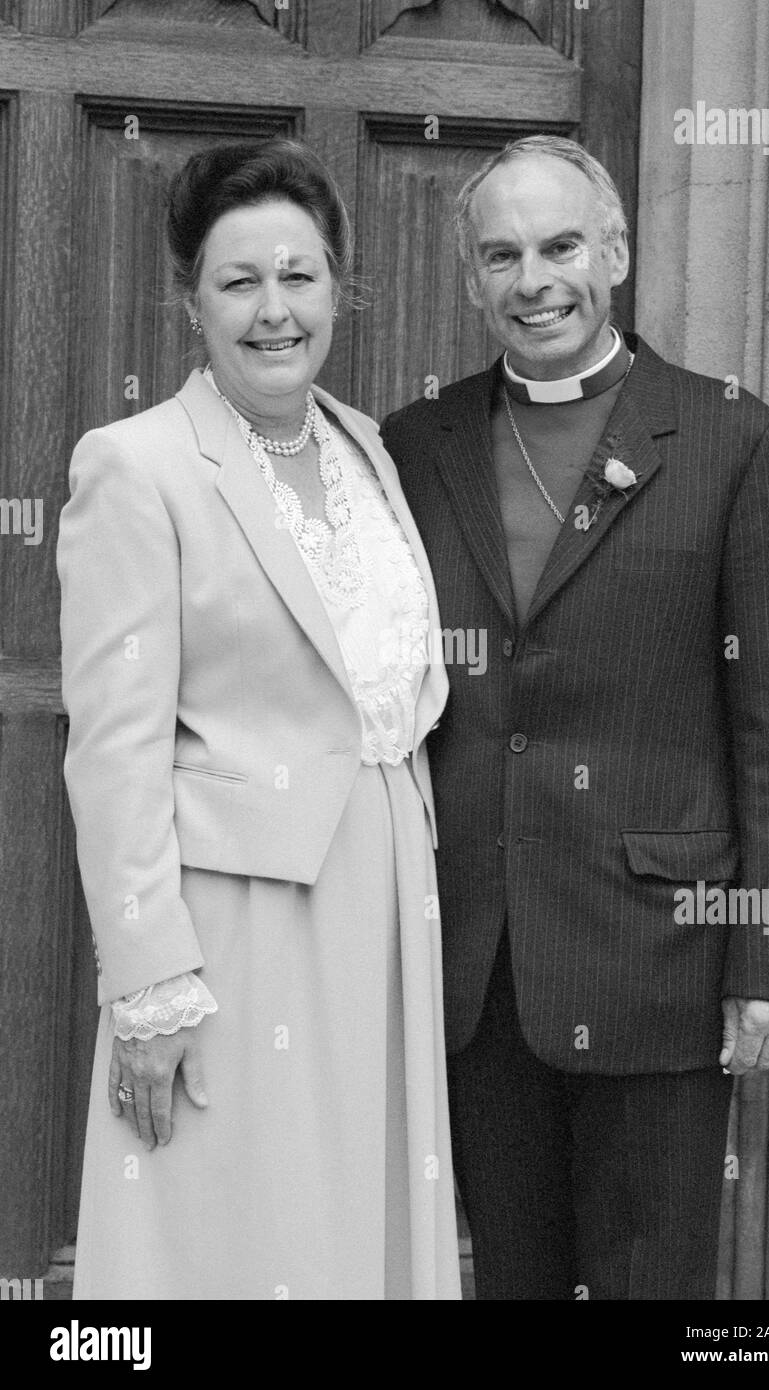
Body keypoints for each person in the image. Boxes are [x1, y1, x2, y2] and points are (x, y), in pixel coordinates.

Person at [380, 134, 769, 1301]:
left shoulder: (735, 439)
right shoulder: (409, 446)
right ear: (472, 279)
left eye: (561, 245)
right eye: (502, 255)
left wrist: (766, 964)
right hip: (476, 963)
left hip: (660, 958)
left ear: (613, 251)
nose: (534, 280)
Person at [57, 138, 460, 1301]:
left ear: (338, 288)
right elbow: (114, 740)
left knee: (357, 1221)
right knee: (231, 1225)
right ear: (190, 302)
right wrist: (150, 982)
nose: (273, 309)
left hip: (385, 894)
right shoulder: (137, 466)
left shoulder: (365, 446)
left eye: (299, 275)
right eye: (239, 282)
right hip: (235, 923)